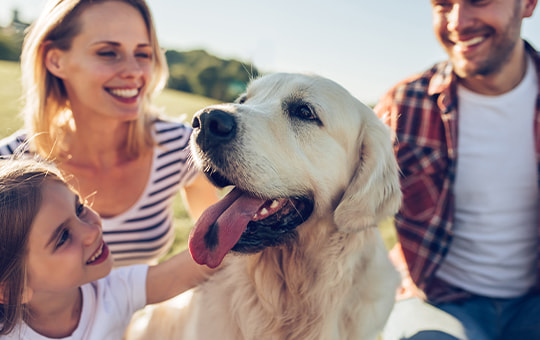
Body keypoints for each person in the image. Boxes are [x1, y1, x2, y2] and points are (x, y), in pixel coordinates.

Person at [0, 0, 220, 267]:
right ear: (55, 60)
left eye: (143, 54)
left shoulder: (179, 145)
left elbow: (216, 252)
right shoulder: (9, 165)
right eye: (107, 53)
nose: (135, 71)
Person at [374, 0, 540, 339]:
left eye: (479, 1)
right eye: (443, 4)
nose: (458, 21)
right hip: (436, 300)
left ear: (528, 4)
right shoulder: (403, 105)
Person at [0, 157, 217, 339]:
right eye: (63, 237)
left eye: (79, 208)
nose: (92, 231)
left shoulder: (112, 293)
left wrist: (238, 223)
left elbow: (183, 271)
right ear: (12, 289)